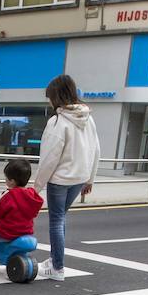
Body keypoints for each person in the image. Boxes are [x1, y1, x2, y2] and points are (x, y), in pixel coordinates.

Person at [30, 74, 101, 282]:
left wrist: (36, 187)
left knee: (56, 220)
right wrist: (90, 179)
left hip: (60, 179)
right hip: (80, 177)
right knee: (61, 219)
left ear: (56, 96)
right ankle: (54, 261)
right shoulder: (88, 118)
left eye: (50, 97)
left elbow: (49, 158)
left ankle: (58, 267)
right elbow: (96, 150)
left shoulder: (58, 122)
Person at [0, 159, 42, 275]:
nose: (5, 180)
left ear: (12, 181)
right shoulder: (32, 195)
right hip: (25, 232)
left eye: (6, 178)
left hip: (7, 232)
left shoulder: (9, 196)